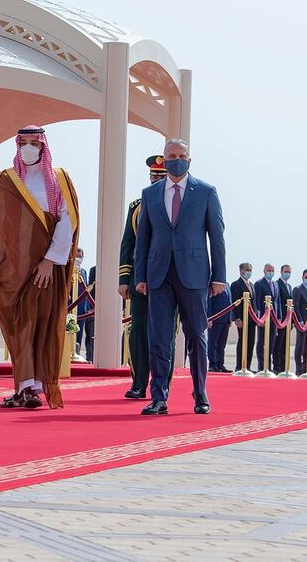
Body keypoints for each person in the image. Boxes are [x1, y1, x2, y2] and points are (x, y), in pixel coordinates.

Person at [0, 125, 79, 409]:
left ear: (44, 147)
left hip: (46, 269)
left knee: (40, 326)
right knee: (18, 325)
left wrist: (49, 260)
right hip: (12, 271)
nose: (30, 148)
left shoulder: (59, 179)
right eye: (25, 143)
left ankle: (31, 387)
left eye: (35, 143)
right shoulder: (4, 181)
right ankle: (25, 387)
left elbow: (67, 222)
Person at [134, 138, 226, 415]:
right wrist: (140, 275)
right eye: (172, 155)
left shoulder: (206, 192)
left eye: (181, 155)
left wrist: (218, 277)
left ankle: (200, 394)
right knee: (159, 338)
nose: (177, 159)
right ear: (164, 158)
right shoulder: (150, 194)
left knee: (196, 337)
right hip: (159, 275)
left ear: (189, 159)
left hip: (195, 275)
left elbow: (217, 237)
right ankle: (158, 397)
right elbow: (143, 240)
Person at [118, 155, 169, 398]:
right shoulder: (136, 207)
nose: (156, 180)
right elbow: (128, 245)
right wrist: (124, 280)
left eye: (161, 176)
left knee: (165, 333)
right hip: (140, 281)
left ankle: (163, 384)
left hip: (168, 281)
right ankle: (139, 383)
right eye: (154, 176)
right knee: (138, 331)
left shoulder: (176, 204)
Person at [253, 263, 280, 373]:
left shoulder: (275, 284)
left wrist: (279, 318)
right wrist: (260, 318)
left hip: (273, 318)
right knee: (261, 343)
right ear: (264, 271)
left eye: (272, 270)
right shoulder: (259, 284)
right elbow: (257, 302)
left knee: (271, 343)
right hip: (263, 318)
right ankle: (261, 366)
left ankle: (268, 366)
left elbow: (277, 302)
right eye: (268, 270)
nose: (270, 272)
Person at [230, 262, 257, 372]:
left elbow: (254, 302)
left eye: (250, 269)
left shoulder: (251, 285)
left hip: (252, 319)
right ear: (241, 270)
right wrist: (237, 318)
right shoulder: (236, 284)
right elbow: (235, 303)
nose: (248, 272)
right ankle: (239, 366)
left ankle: (248, 366)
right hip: (242, 318)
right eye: (247, 269)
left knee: (250, 342)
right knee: (242, 341)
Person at [293, 268, 307, 375]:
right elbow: (296, 307)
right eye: (306, 277)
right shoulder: (297, 289)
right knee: (300, 346)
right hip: (302, 323)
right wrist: (300, 321)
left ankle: (306, 368)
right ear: (302, 277)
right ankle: (299, 369)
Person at [207, 282, 233, 372]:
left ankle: (220, 364)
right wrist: (209, 318)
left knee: (221, 345)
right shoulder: (212, 284)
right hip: (216, 319)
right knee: (212, 343)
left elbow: (230, 302)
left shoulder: (227, 284)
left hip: (226, 319)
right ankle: (212, 365)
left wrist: (230, 319)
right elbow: (208, 301)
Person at [273, 264, 292, 373]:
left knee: (285, 344)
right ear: (281, 272)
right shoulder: (277, 284)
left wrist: (292, 321)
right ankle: (277, 366)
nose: (287, 273)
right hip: (280, 319)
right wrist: (278, 318)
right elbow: (278, 302)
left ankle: (284, 366)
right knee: (278, 344)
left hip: (288, 320)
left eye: (289, 272)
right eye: (285, 271)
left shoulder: (289, 286)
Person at [74, 248, 89, 355]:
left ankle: (77, 353)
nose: (79, 259)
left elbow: (86, 291)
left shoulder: (83, 271)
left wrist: (87, 308)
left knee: (79, 334)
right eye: (77, 256)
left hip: (82, 309)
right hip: (70, 307)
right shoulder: (67, 270)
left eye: (80, 257)